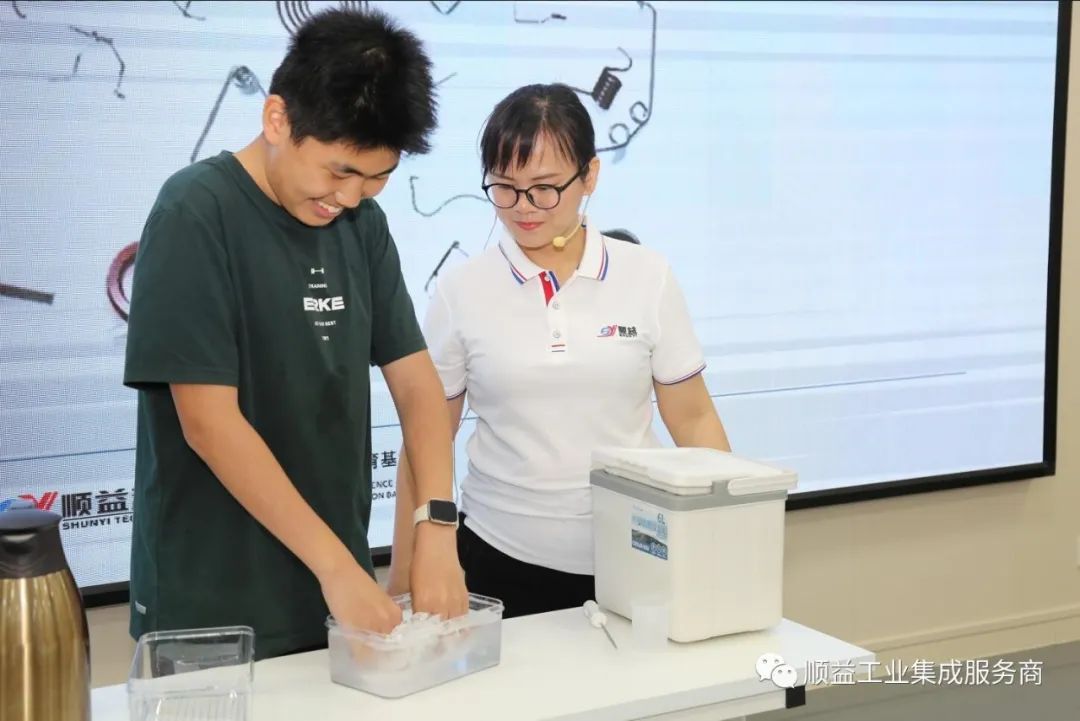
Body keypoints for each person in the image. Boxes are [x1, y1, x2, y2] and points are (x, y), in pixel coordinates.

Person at [123, 8, 466, 660]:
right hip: (209, 604)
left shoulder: (361, 226)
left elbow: (418, 386)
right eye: (339, 172)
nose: (352, 197)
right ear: (277, 118)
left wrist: (437, 527)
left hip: (333, 597)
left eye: (377, 178)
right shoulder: (195, 212)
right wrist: (337, 567)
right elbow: (209, 423)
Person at [387, 83, 730, 618]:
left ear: (589, 176)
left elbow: (694, 418)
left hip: (637, 556)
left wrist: (727, 536)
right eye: (505, 187)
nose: (523, 208)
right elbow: (425, 438)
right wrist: (404, 576)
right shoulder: (462, 290)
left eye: (545, 188)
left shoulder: (648, 275)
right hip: (499, 558)